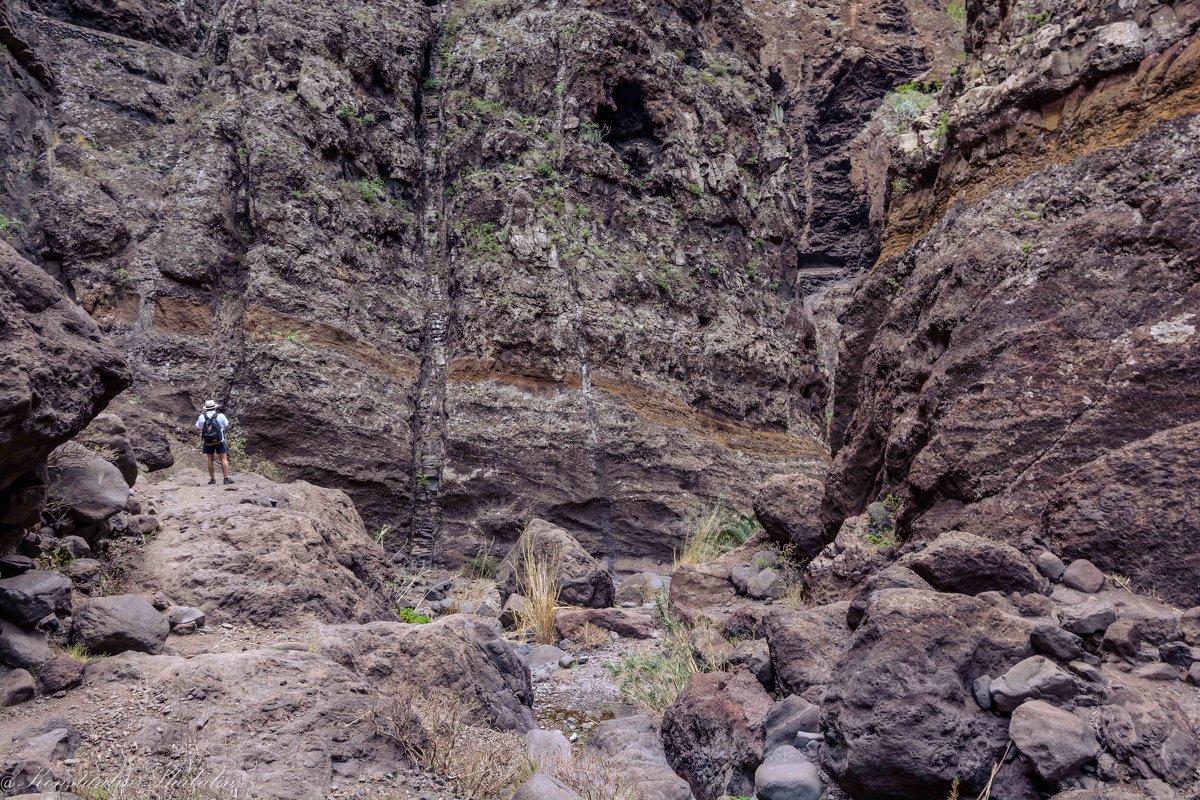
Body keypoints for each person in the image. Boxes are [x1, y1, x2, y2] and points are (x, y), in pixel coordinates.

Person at [195, 400, 233, 485]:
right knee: (223, 458)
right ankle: (226, 479)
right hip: (220, 440)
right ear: (214, 407)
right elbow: (227, 425)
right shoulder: (220, 416)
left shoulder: (202, 417)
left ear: (206, 408)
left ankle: (212, 479)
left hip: (208, 441)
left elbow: (197, 428)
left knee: (210, 459)